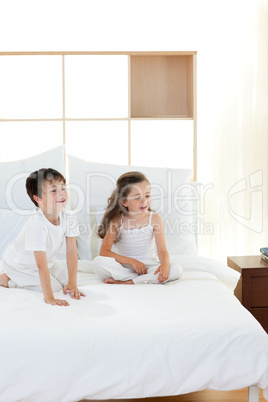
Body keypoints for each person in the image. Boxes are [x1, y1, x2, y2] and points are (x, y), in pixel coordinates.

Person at [0, 168, 85, 306]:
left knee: (69, 282)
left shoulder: (69, 216)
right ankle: (8, 279)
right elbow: (40, 265)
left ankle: (14, 277)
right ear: (38, 199)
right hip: (21, 265)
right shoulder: (36, 223)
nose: (62, 193)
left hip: (49, 261)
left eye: (63, 188)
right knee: (55, 288)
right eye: (53, 190)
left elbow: (71, 252)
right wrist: (50, 298)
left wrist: (72, 283)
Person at [92, 171, 183, 284]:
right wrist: (131, 261)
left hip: (148, 266)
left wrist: (165, 264)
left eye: (147, 196)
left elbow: (162, 250)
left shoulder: (155, 219)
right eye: (137, 198)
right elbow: (104, 252)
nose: (144, 201)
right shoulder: (117, 220)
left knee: (176, 270)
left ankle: (129, 281)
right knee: (98, 262)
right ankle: (140, 279)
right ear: (124, 202)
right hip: (125, 266)